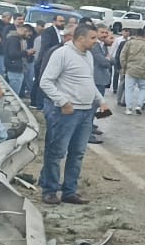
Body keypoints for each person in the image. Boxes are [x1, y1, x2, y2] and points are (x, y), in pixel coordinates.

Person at [38, 22, 100, 205]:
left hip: (86, 112)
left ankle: (69, 191)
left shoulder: (88, 56)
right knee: (56, 152)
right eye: (93, 38)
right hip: (67, 113)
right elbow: (45, 82)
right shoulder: (62, 54)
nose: (96, 41)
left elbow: (89, 81)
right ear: (80, 38)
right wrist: (63, 101)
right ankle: (49, 190)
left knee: (77, 153)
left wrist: (100, 100)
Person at [118, 27, 145, 114]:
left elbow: (122, 56)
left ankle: (129, 108)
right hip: (144, 71)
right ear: (144, 35)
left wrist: (124, 67)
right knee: (143, 89)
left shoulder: (129, 43)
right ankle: (139, 105)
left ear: (135, 35)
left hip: (131, 70)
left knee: (129, 89)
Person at [0, 22, 31, 97]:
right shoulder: (14, 40)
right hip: (15, 68)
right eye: (28, 33)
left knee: (14, 92)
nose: (28, 36)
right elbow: (12, 54)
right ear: (23, 31)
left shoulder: (16, 39)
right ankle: (11, 108)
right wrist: (26, 53)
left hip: (15, 67)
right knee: (13, 94)